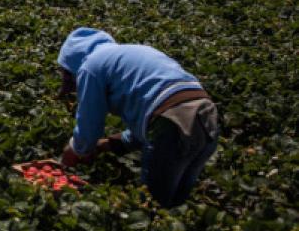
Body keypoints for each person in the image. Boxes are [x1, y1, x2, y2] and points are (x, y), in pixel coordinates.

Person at [57, 27, 218, 208]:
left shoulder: (90, 67)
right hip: (206, 116)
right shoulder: (131, 53)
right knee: (176, 201)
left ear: (71, 63)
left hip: (171, 121)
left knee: (152, 204)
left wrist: (76, 150)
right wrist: (110, 144)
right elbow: (151, 120)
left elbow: (89, 124)